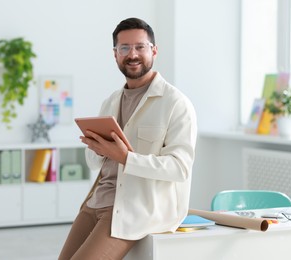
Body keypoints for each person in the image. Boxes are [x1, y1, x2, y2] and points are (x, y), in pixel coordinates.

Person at [58, 17, 197, 260]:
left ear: (153, 50)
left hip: (133, 208)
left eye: (140, 47)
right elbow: (93, 163)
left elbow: (180, 168)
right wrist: (99, 150)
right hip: (95, 203)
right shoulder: (111, 101)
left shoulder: (176, 103)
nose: (132, 54)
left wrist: (126, 157)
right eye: (124, 48)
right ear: (115, 54)